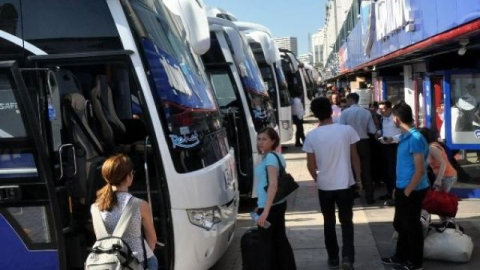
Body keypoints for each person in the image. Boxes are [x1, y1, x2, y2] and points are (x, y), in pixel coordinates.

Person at [303, 97, 362, 270]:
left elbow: (310, 164)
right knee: (347, 222)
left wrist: (318, 178)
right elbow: (355, 157)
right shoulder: (347, 130)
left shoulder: (312, 136)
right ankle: (347, 257)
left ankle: (333, 258)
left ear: (315, 114)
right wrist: (358, 179)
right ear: (331, 110)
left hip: (325, 186)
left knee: (328, 221)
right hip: (346, 184)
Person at [381, 101, 429, 270]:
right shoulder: (405, 136)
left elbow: (420, 170)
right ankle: (400, 256)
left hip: (413, 189)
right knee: (400, 224)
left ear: (397, 119)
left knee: (412, 226)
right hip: (404, 187)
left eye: (393, 116)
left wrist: (407, 191)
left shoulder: (415, 138)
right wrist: (398, 187)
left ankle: (415, 263)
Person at [91, 154, 158, 270]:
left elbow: (101, 239)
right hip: (137, 262)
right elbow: (152, 239)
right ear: (128, 177)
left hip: (108, 265)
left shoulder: (95, 208)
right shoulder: (140, 205)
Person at [254, 127, 296, 270]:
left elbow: (273, 185)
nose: (260, 142)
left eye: (264, 139)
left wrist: (264, 212)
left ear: (273, 141)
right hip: (276, 204)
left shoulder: (270, 158)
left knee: (266, 246)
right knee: (279, 241)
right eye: (259, 139)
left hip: (270, 208)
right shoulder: (275, 155)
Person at [340, 93, 377, 204]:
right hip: (364, 142)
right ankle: (369, 196)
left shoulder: (345, 113)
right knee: (366, 169)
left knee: (351, 168)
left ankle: (353, 193)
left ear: (351, 100)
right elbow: (372, 130)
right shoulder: (366, 112)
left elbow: (341, 128)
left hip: (350, 143)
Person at [376, 101, 402, 206]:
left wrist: (392, 139)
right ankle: (389, 192)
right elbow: (384, 130)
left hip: (394, 145)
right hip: (385, 145)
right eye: (380, 109)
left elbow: (403, 133)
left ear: (390, 109)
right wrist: (379, 133)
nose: (381, 111)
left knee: (394, 171)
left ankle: (395, 195)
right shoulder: (383, 118)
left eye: (384, 108)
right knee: (386, 170)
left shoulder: (395, 118)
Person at [419, 128, 457, 192]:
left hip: (447, 177)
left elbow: (443, 163)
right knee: (437, 199)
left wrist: (438, 180)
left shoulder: (432, 148)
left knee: (439, 199)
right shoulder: (431, 146)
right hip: (445, 176)